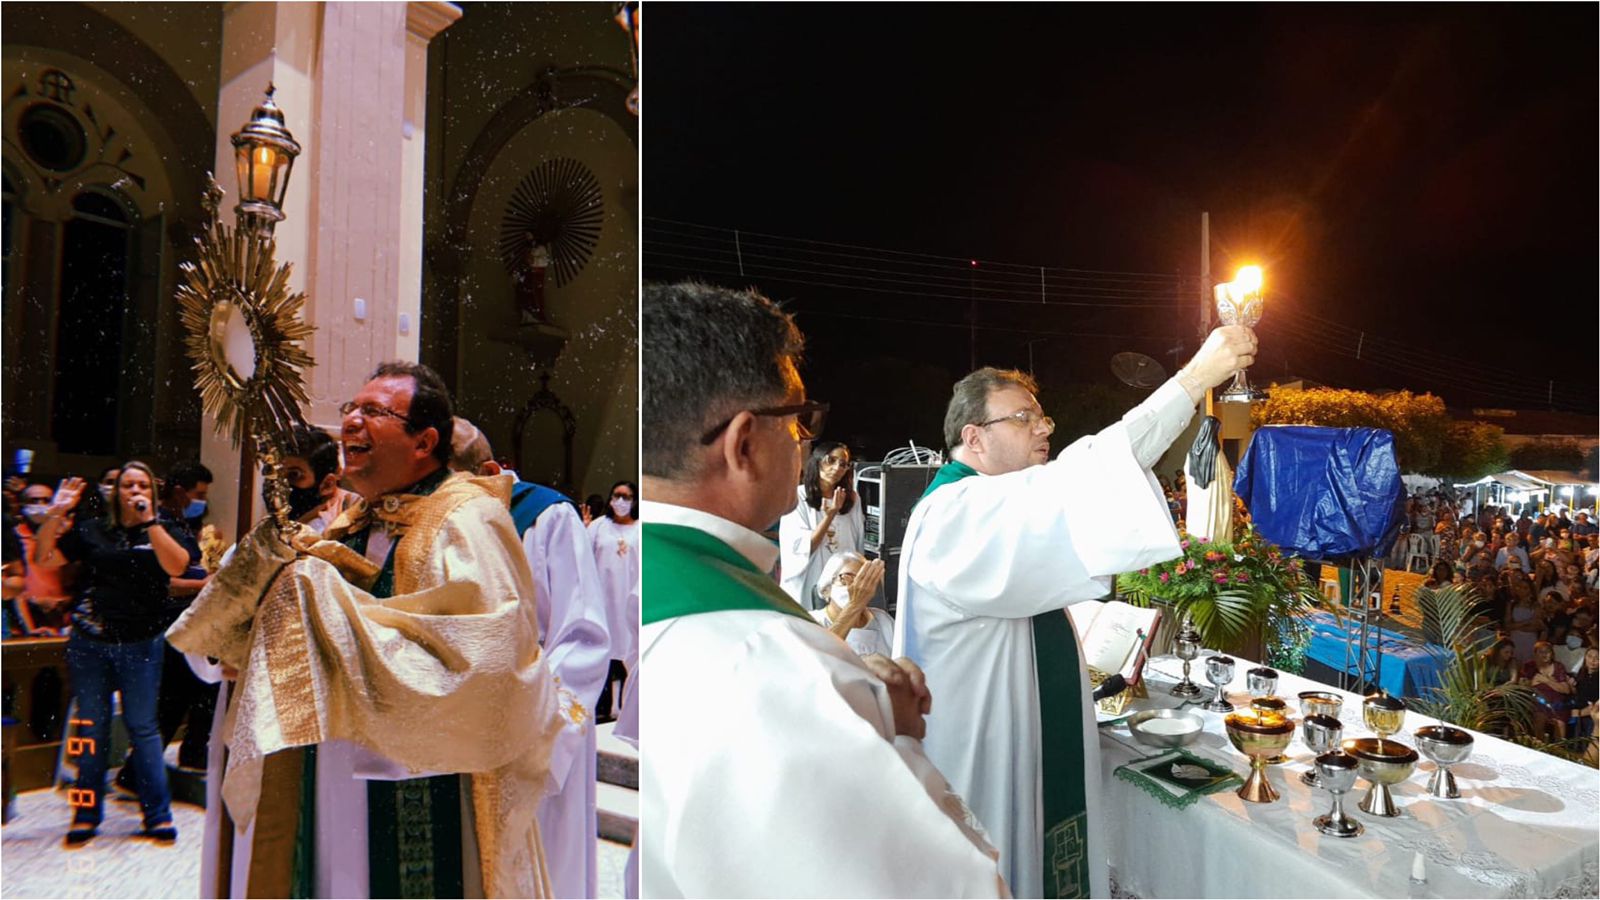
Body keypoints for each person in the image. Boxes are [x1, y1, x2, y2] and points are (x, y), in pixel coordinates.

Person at [639, 282, 1005, 897]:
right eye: (799, 420)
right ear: (744, 443)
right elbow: (945, 884)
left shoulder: (635, 582)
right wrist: (894, 733)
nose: (806, 441)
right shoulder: (773, 670)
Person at [166, 361, 561, 898]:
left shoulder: (467, 519)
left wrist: (323, 611)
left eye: (373, 411)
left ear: (424, 442)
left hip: (424, 771)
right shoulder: (352, 520)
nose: (350, 421)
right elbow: (312, 623)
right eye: (350, 408)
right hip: (328, 775)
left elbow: (491, 659)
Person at [894, 324, 1256, 899]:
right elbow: (1091, 473)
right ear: (974, 437)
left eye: (1043, 417)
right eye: (1023, 418)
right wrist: (1194, 380)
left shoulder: (988, 504)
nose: (1043, 428)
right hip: (984, 757)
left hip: (1018, 737)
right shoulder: (956, 512)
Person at [451, 417, 612, 900]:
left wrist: (533, 727)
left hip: (532, 722)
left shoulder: (547, 516)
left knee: (540, 865)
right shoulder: (445, 522)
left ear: (488, 470)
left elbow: (584, 635)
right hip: (461, 724)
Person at [33, 462, 197, 846]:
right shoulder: (92, 530)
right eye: (127, 484)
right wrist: (56, 515)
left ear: (152, 494)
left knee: (143, 728)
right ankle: (85, 814)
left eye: (142, 485)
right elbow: (44, 558)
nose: (134, 490)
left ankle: (157, 815)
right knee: (91, 730)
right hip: (90, 642)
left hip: (142, 644)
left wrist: (150, 521)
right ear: (115, 491)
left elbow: (178, 565)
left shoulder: (165, 529)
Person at [778, 441, 864, 608]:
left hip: (841, 580)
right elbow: (802, 548)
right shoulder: (799, 496)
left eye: (843, 464)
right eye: (831, 460)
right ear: (817, 461)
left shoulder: (852, 499)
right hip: (810, 577)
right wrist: (830, 515)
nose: (837, 468)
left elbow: (858, 544)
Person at [590, 479, 640, 721]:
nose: (620, 501)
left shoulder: (641, 529)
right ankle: (603, 707)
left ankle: (625, 707)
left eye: (626, 497)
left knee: (627, 649)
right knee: (604, 652)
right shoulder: (599, 526)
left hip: (629, 597)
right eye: (616, 495)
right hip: (602, 598)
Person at [810, 551, 892, 657]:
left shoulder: (883, 620)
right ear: (826, 589)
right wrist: (855, 604)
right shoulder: (811, 622)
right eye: (846, 578)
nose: (857, 587)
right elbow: (819, 660)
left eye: (862, 580)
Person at [1520, 640, 1575, 740]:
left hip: (1558, 704)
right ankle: (1539, 748)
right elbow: (1523, 686)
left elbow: (1566, 690)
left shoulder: (1558, 667)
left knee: (1560, 724)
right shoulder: (1529, 666)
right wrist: (1552, 682)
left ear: (1552, 654)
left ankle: (1558, 751)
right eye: (1541, 652)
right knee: (1539, 718)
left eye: (1548, 652)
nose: (1545, 654)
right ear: (1535, 654)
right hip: (1538, 702)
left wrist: (1545, 680)